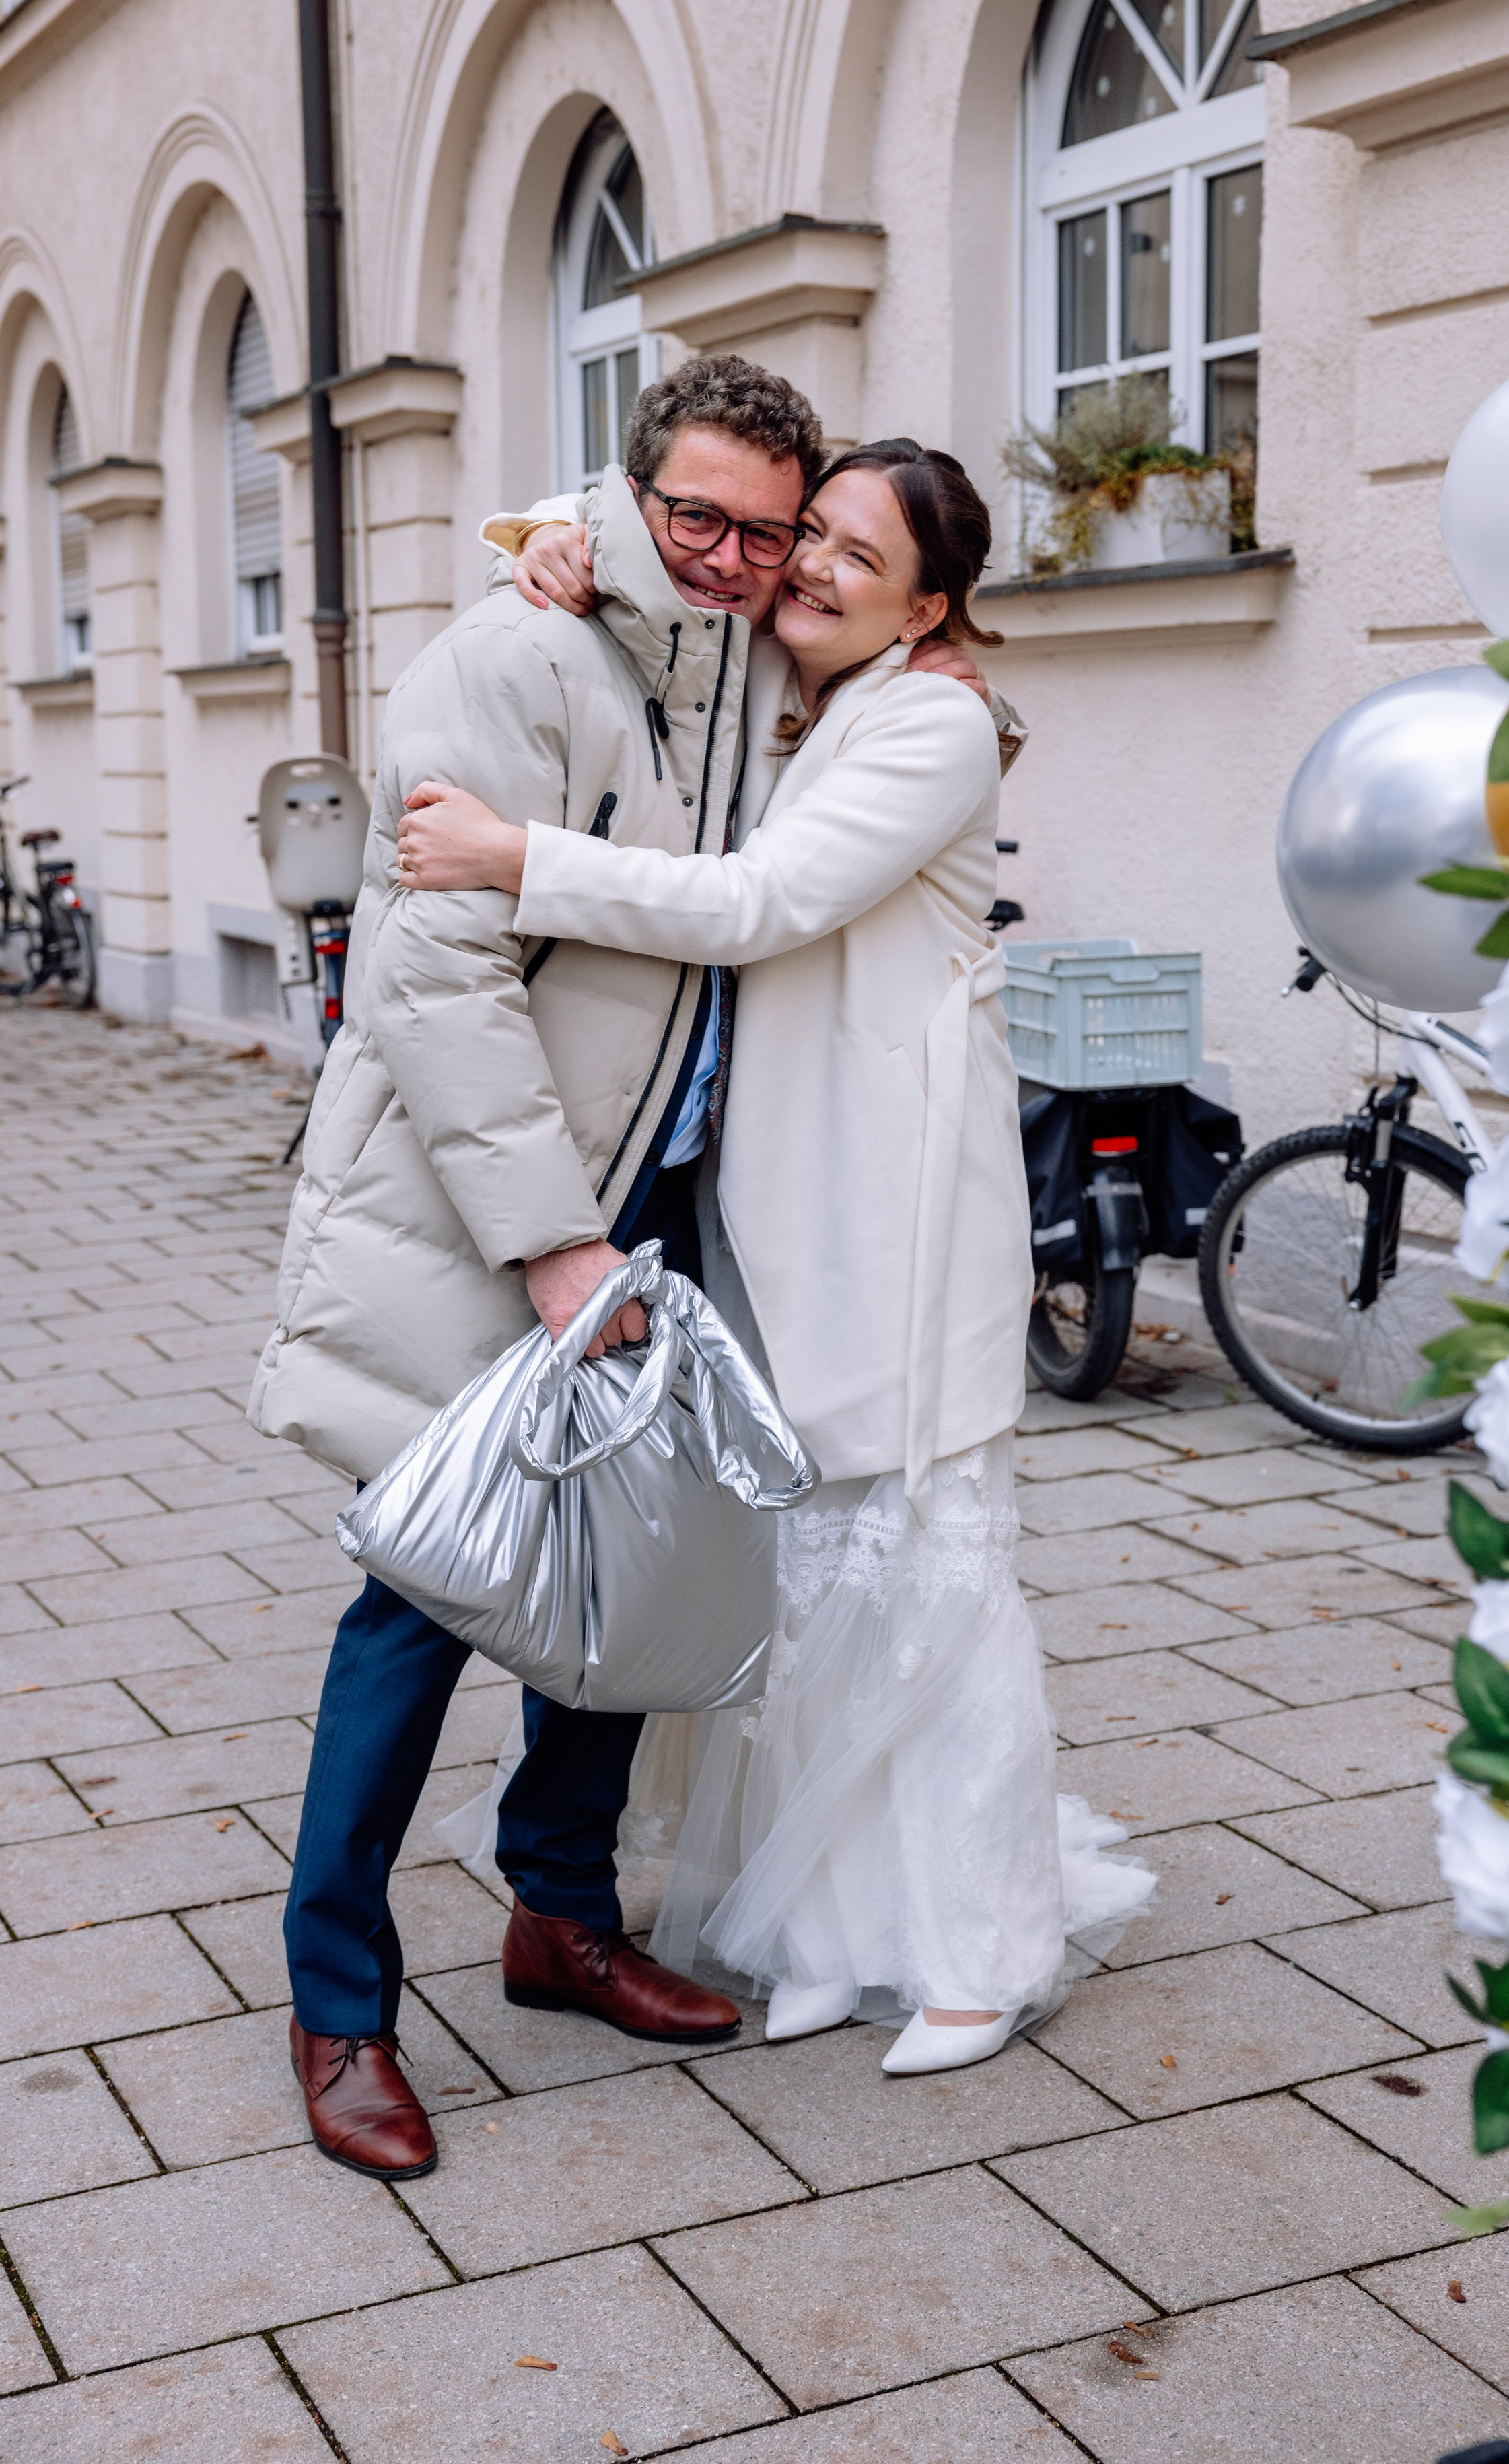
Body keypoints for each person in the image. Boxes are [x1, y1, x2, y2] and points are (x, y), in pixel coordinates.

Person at [248, 357, 1009, 2179]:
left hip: (662, 1207)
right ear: (630, 490)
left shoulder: (753, 661)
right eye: (698, 517)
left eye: (772, 524)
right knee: (428, 1595)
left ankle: (561, 1917)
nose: (740, 555)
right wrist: (553, 1241)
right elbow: (435, 982)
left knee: (624, 1586)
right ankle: (338, 2002)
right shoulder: (514, 656)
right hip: (501, 1214)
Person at [395, 440, 1156, 2075]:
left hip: (892, 1206)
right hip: (784, 1194)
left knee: (925, 1561)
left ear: (930, 603)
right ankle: (836, 1927)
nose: (800, 567)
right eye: (806, 532)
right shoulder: (818, 683)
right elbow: (641, 554)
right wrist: (551, 555)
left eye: (847, 554)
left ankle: (982, 1941)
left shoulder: (936, 721)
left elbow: (759, 900)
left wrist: (515, 855)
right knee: (813, 1576)